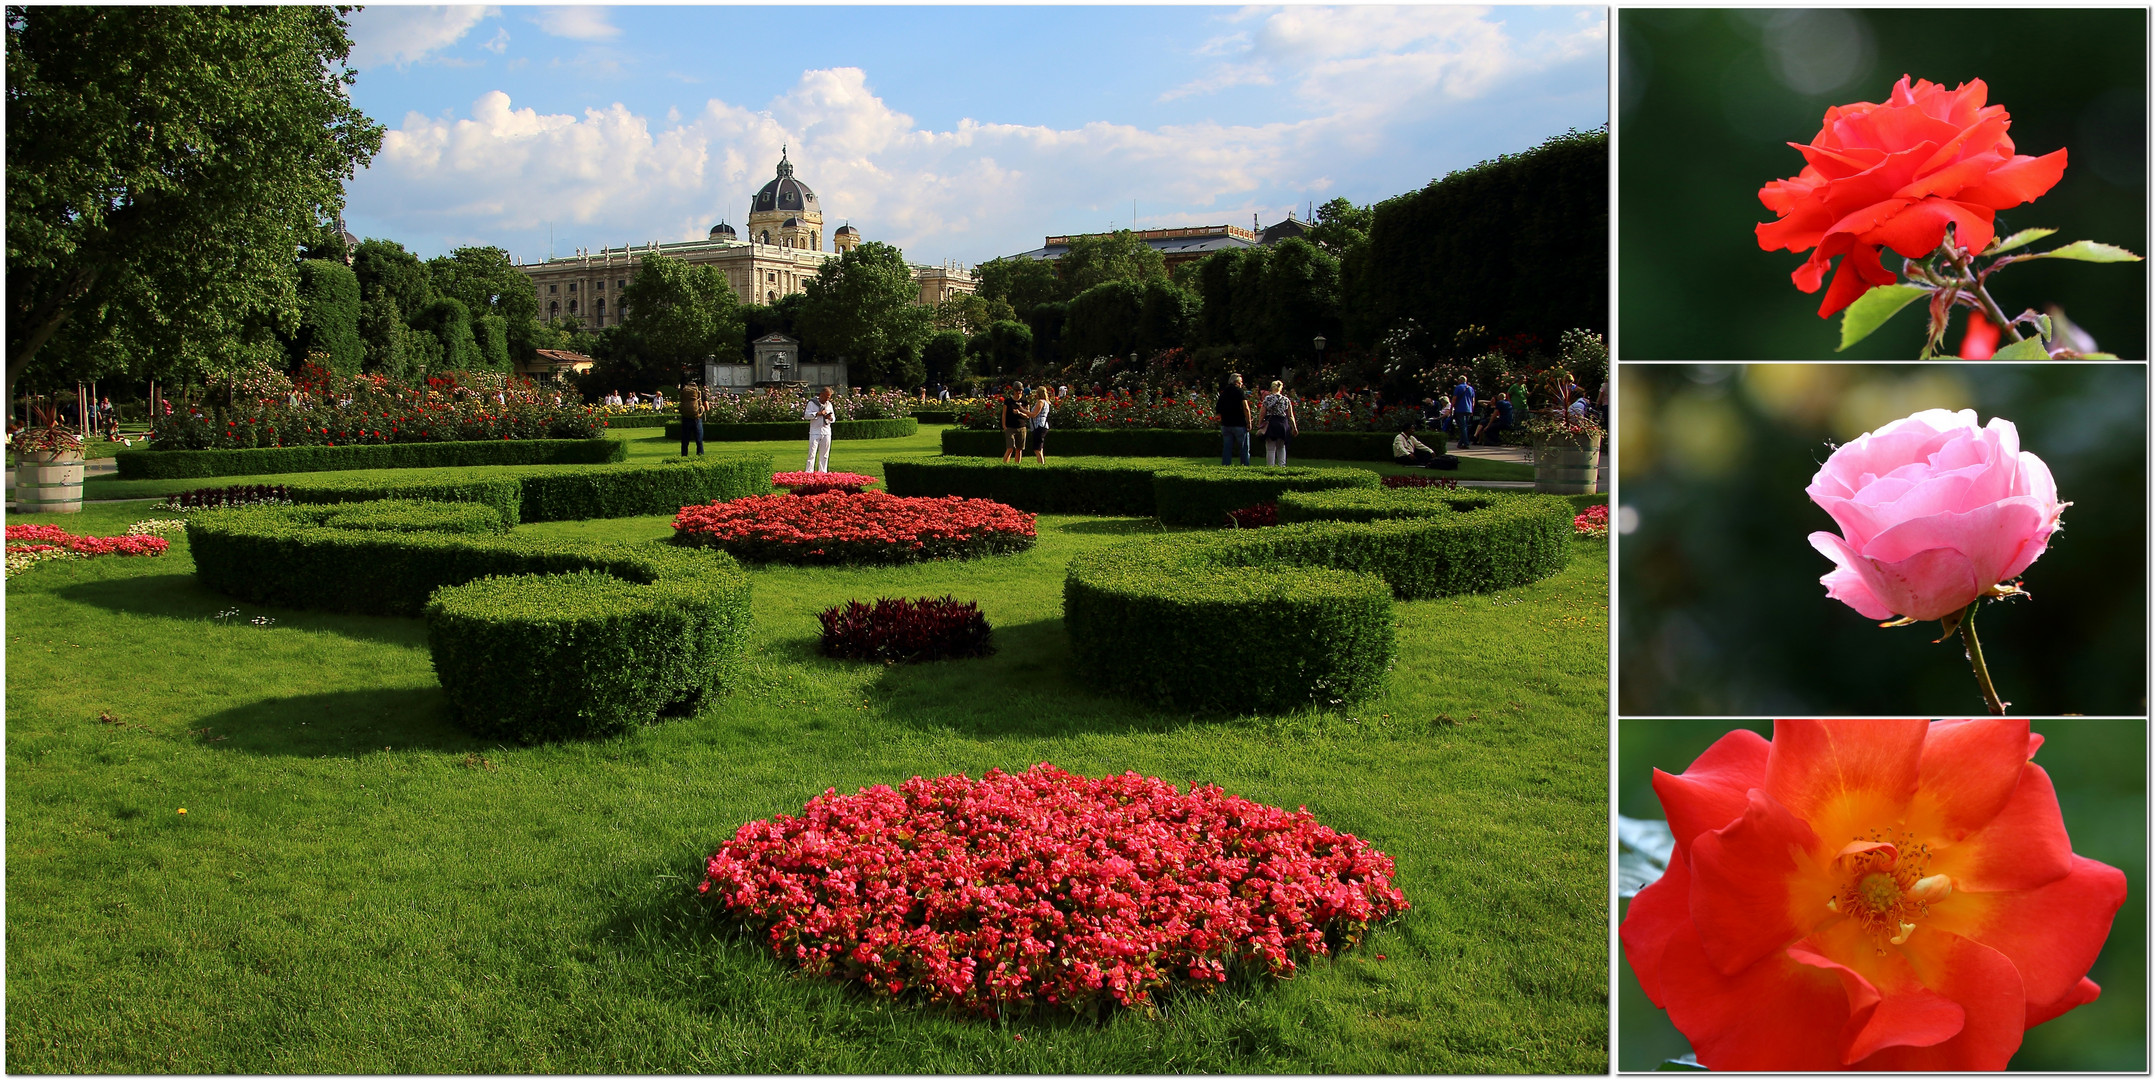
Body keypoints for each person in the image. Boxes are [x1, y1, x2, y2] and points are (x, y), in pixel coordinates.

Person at [1216, 373, 1251, 466]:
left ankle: (1225, 466)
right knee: (1244, 448)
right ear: (1236, 382)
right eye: (1241, 382)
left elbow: (1218, 408)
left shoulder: (1224, 393)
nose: (1241, 384)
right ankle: (1245, 466)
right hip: (1239, 424)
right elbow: (1246, 408)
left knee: (1227, 448)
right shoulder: (1239, 392)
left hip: (1226, 424)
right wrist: (1249, 422)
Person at [1260, 379, 1297, 466]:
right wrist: (1294, 427)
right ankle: (1282, 466)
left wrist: (1260, 423)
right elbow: (1290, 415)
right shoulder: (1285, 400)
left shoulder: (1267, 399)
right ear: (1281, 388)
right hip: (1282, 423)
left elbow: (1262, 414)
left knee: (1270, 448)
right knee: (1281, 447)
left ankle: (1270, 467)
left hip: (1271, 423)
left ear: (1272, 388)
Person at [804, 386, 836, 472]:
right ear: (821, 395)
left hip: (826, 431)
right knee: (812, 453)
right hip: (815, 431)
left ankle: (823, 472)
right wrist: (817, 413)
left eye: (829, 397)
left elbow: (833, 419)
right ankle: (809, 472)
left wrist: (829, 418)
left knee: (825, 454)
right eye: (826, 397)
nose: (827, 399)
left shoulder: (829, 405)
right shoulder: (812, 403)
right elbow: (806, 415)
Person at [676, 372, 706, 456]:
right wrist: (702, 409)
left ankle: (684, 457)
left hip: (685, 418)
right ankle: (700, 457)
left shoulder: (684, 391)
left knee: (685, 441)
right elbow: (706, 407)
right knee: (699, 441)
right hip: (697, 418)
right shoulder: (700, 393)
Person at [1021, 386, 1051, 464]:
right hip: (1041, 426)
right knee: (1039, 448)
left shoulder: (1040, 402)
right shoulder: (1046, 402)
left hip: (1039, 426)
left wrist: (1022, 410)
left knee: (1037, 449)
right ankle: (1041, 464)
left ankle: (1041, 465)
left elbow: (1034, 414)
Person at [1000, 383, 1026, 464]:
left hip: (1021, 426)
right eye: (1017, 390)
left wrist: (1019, 413)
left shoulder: (1024, 401)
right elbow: (1004, 414)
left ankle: (1017, 466)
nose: (1019, 392)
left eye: (1020, 390)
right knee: (1010, 448)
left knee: (1019, 449)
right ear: (1013, 391)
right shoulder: (1008, 401)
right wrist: (1004, 425)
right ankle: (1005, 465)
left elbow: (1027, 415)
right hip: (1010, 427)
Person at [1450, 374, 1477, 449]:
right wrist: (1472, 409)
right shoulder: (1471, 388)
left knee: (1462, 426)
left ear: (1460, 380)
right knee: (1465, 426)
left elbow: (1454, 398)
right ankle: (1460, 443)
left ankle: (1466, 443)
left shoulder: (1458, 388)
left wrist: (1451, 408)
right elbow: (1473, 400)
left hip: (1460, 409)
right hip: (1468, 409)